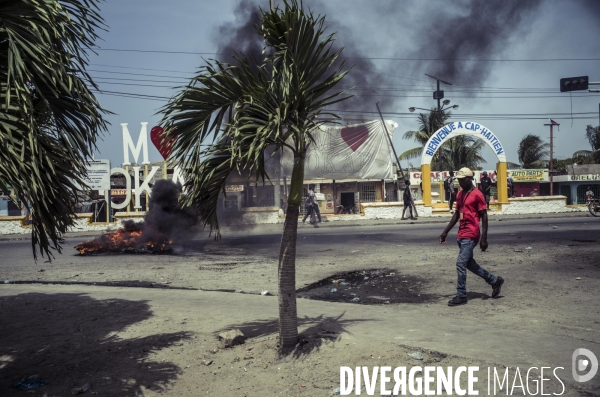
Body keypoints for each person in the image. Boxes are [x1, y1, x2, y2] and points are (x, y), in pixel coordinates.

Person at [439, 167, 504, 307]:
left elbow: (484, 216)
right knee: (469, 264)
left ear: (470, 178)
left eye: (463, 180)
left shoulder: (478, 194)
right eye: (459, 180)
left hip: (471, 234)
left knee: (460, 263)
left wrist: (484, 238)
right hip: (461, 234)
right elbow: (457, 214)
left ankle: (461, 294)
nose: (461, 183)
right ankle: (494, 280)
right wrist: (445, 232)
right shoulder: (460, 194)